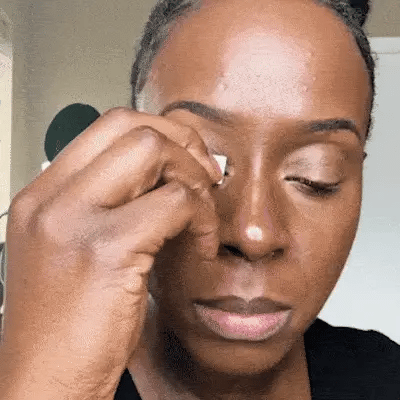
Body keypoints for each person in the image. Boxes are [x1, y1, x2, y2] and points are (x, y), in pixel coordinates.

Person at [0, 0, 399, 399]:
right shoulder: (32, 378)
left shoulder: (384, 376)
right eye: (206, 161)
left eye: (316, 176)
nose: (253, 235)